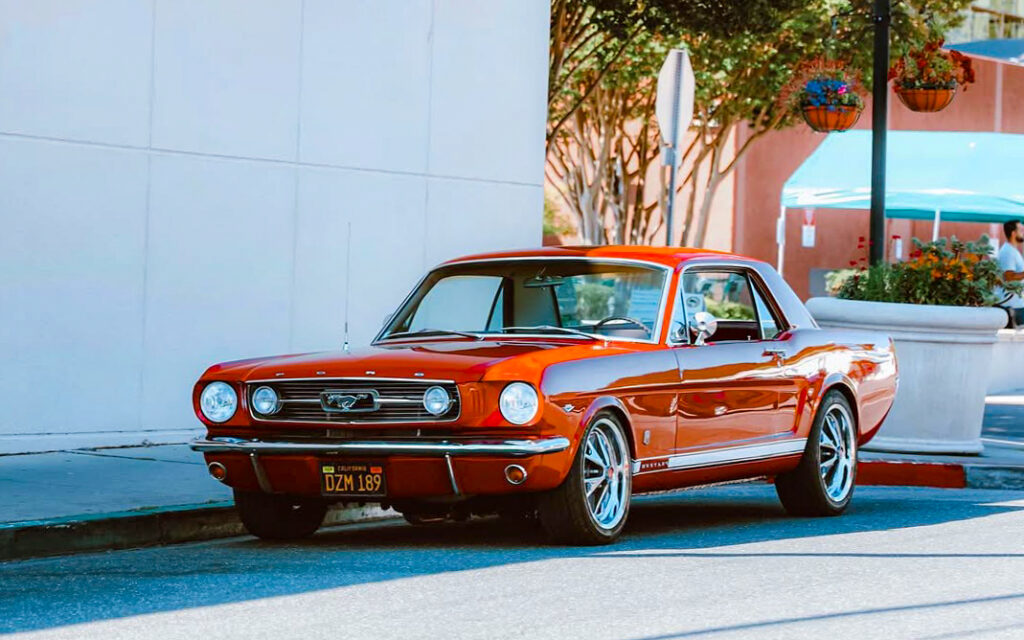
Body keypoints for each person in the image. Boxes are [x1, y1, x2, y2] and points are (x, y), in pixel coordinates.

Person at [996, 220, 1024, 328]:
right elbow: (1009, 277)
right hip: (1012, 307)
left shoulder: (1012, 250)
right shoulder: (1008, 252)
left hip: (1017, 305)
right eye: (1021, 230)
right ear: (1013, 233)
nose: (1023, 232)